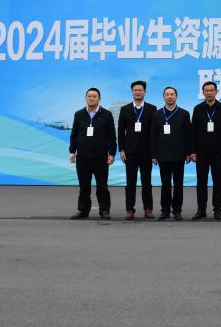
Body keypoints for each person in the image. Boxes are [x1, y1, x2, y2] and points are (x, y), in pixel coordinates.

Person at [68, 87, 117, 220]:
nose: (91, 98)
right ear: (85, 98)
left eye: (94, 96)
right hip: (82, 157)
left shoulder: (106, 114)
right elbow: (74, 134)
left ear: (99, 99)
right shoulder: (79, 114)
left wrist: (112, 153)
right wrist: (72, 151)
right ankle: (83, 211)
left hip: (101, 157)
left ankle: (104, 211)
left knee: (102, 186)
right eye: (89, 96)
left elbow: (112, 136)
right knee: (84, 186)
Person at [149, 86, 193, 221]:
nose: (169, 96)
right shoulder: (157, 114)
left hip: (179, 155)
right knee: (166, 185)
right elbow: (153, 136)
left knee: (178, 185)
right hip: (163, 155)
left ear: (176, 97)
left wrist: (188, 153)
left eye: (172, 94)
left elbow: (188, 135)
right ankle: (165, 211)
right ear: (163, 97)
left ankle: (177, 210)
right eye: (167, 94)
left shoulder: (184, 114)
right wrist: (153, 155)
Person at [190, 80, 221, 220]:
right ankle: (201, 209)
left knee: (218, 182)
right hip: (201, 152)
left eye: (211, 90)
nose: (209, 93)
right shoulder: (197, 109)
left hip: (219, 152)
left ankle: (217, 209)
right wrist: (193, 151)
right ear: (203, 92)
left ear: (216, 92)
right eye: (206, 90)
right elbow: (193, 132)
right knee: (201, 182)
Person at [117, 80, 157, 220]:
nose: (138, 92)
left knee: (147, 182)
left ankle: (148, 209)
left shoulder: (152, 109)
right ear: (132, 92)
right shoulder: (125, 109)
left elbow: (154, 132)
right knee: (130, 182)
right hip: (130, 152)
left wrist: (154, 152)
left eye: (140, 90)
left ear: (144, 92)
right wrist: (122, 149)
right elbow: (121, 131)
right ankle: (130, 209)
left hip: (146, 152)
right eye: (135, 90)